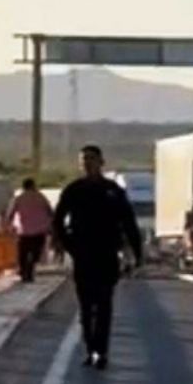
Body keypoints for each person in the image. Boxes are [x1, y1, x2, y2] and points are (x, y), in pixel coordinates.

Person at [53, 145, 142, 370]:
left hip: (106, 254)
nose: (87, 163)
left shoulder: (113, 190)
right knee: (86, 306)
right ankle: (90, 346)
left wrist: (137, 253)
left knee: (104, 304)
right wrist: (68, 245)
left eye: (91, 158)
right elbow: (58, 220)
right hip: (83, 254)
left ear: (101, 162)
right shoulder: (74, 190)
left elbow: (128, 222)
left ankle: (100, 351)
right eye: (84, 159)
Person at [5, 178, 54, 283]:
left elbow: (11, 214)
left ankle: (24, 271)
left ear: (24, 187)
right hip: (39, 231)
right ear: (33, 185)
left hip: (24, 231)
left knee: (23, 253)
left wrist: (9, 225)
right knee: (36, 252)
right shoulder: (41, 197)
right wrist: (51, 226)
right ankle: (30, 268)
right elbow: (50, 211)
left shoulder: (19, 198)